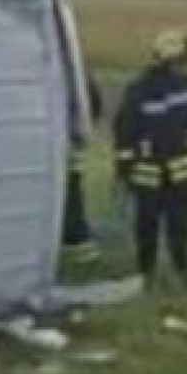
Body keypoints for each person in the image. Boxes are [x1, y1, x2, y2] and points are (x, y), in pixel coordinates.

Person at [113, 30, 187, 288]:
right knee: (178, 228)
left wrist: (124, 171)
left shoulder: (138, 90)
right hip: (182, 177)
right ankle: (180, 273)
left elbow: (124, 135)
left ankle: (147, 274)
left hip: (149, 177)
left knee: (148, 228)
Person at [61, 75, 105, 263]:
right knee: (71, 191)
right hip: (71, 141)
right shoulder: (77, 74)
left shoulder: (68, 75)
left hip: (66, 142)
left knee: (70, 194)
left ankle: (79, 241)